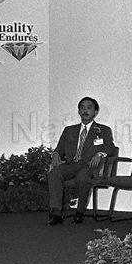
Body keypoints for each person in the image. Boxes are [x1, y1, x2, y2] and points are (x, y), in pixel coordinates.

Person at [47, 96, 116, 225]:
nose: (85, 110)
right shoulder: (69, 130)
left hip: (89, 165)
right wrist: (55, 155)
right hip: (71, 164)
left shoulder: (103, 130)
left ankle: (79, 212)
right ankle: (55, 212)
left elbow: (110, 148)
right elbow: (60, 148)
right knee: (54, 173)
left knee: (83, 177)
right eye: (82, 108)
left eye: (89, 108)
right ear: (78, 111)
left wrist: (100, 154)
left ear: (95, 112)